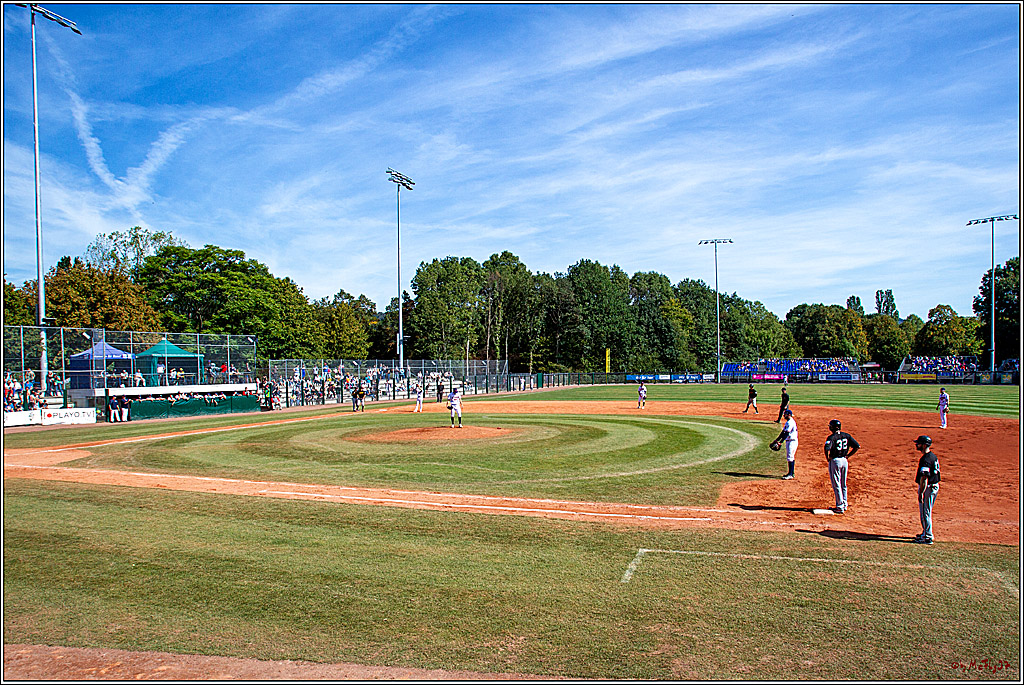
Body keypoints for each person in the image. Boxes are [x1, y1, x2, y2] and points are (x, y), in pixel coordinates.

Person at [823, 419, 859, 513]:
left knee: (836, 484)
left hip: (835, 461)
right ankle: (844, 504)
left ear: (833, 427)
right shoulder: (846, 436)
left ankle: (839, 506)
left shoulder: (831, 437)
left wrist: (827, 458)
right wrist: (848, 455)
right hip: (844, 461)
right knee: (843, 484)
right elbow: (857, 446)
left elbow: (826, 448)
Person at [913, 435, 940, 544]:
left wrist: (921, 492)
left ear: (924, 445)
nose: (917, 445)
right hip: (933, 486)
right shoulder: (933, 456)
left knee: (925, 512)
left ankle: (927, 536)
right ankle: (925, 532)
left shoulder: (926, 460)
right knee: (926, 511)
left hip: (928, 488)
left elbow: (924, 477)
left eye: (918, 443)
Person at [770, 408, 798, 479]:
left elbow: (786, 433)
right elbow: (783, 432)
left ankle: (791, 474)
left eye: (785, 414)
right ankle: (791, 473)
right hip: (789, 441)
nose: (783, 415)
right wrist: (776, 440)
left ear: (789, 415)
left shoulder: (790, 422)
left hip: (792, 441)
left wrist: (780, 442)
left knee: (790, 457)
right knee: (790, 457)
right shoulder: (788, 422)